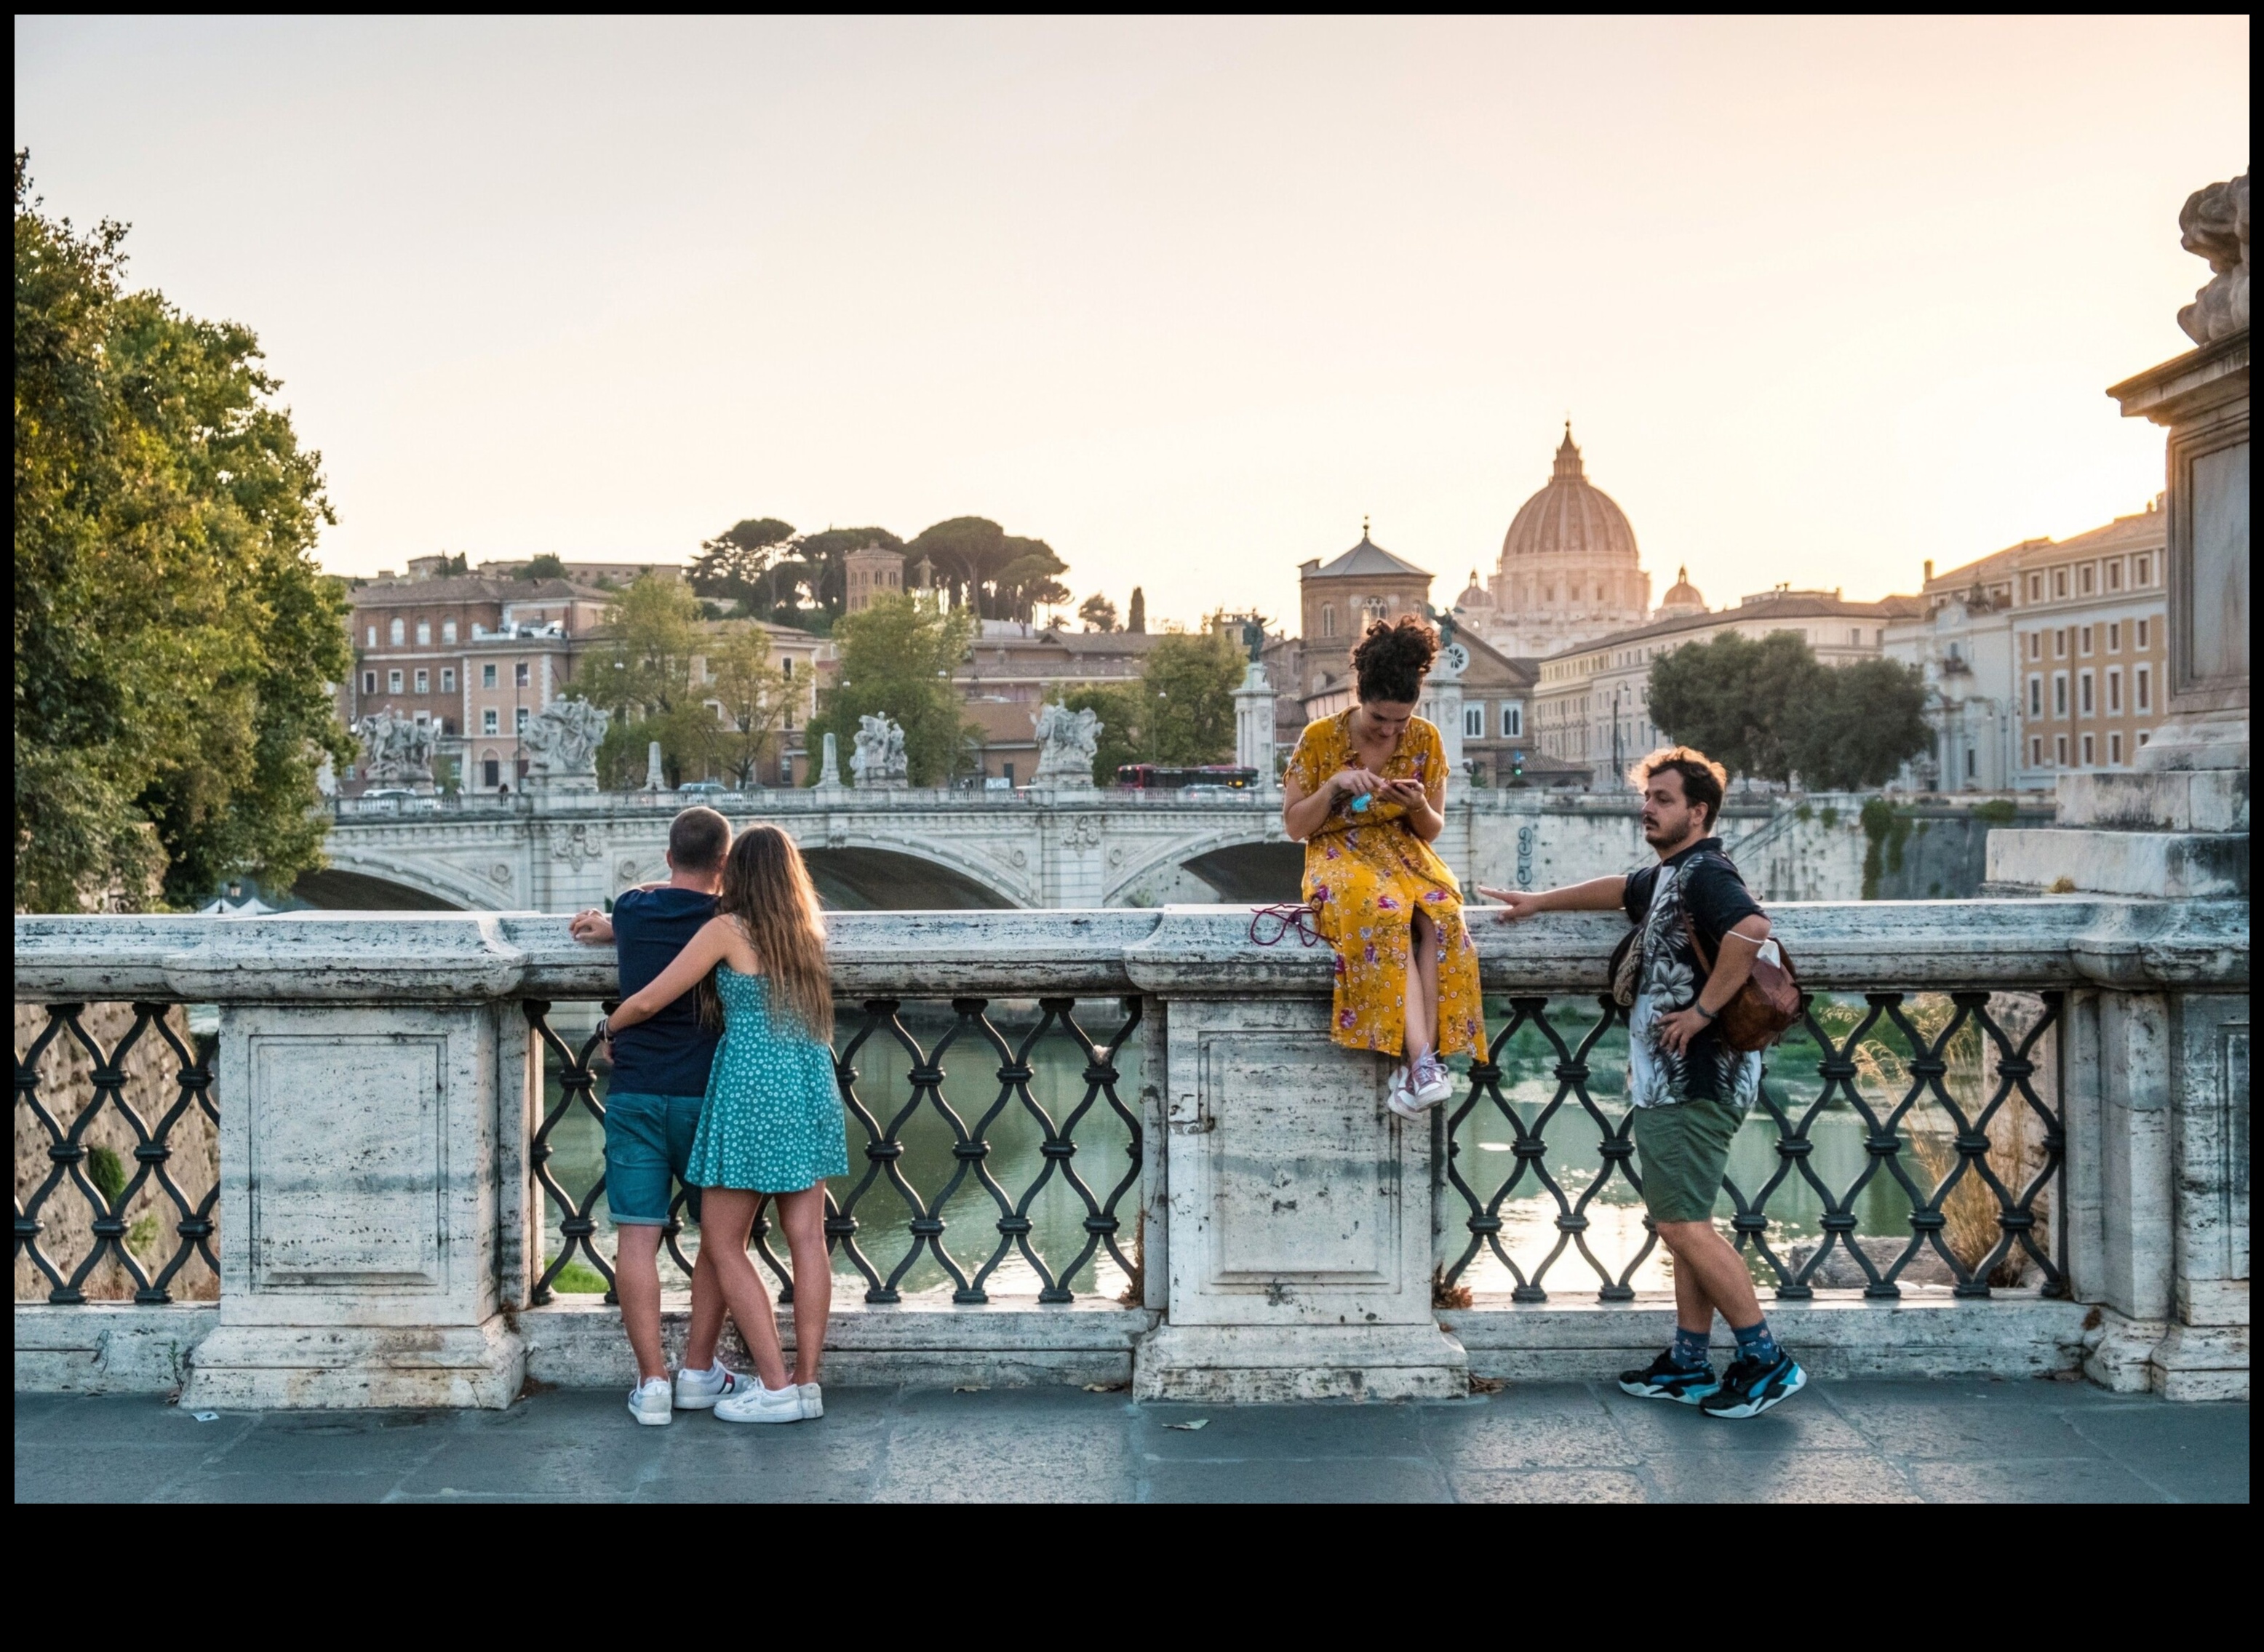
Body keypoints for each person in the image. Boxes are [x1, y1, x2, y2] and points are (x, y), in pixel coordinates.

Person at [1480, 746, 1806, 1420]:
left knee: (1683, 1224)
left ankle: (1766, 1359)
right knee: (1681, 1221)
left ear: (1699, 811)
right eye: (1648, 796)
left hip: (1698, 1076)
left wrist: (1704, 1012)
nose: (1647, 807)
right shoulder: (1671, 874)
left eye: (1663, 798)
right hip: (1672, 1081)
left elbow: (1750, 927)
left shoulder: (1708, 871)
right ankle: (1689, 1363)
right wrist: (1539, 901)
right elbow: (1619, 888)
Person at [602, 823, 848, 1425]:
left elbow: (654, 995)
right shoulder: (808, 932)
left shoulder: (726, 929)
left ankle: (774, 1385)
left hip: (750, 1090)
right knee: (809, 1240)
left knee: (722, 1241)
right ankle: (807, 1383)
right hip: (810, 1080)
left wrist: (612, 1026)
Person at [569, 806, 746, 1426]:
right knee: (721, 1243)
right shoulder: (731, 918)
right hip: (708, 1096)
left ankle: (651, 1384)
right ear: (724, 864)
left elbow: (641, 911)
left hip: (635, 1089)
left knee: (636, 1238)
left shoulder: (636, 908)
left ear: (668, 857)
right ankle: (698, 1369)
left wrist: (611, 924)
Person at [1281, 614, 1486, 1118]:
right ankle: (1422, 1062)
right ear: (1360, 696)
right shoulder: (1319, 738)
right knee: (1385, 909)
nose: (1393, 730)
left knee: (1442, 913)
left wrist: (1416, 804)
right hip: (1339, 853)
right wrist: (1333, 787)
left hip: (1405, 852)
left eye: (1401, 720)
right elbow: (1294, 826)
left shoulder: (1427, 739)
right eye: (1380, 721)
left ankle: (1420, 1067)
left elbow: (1431, 829)